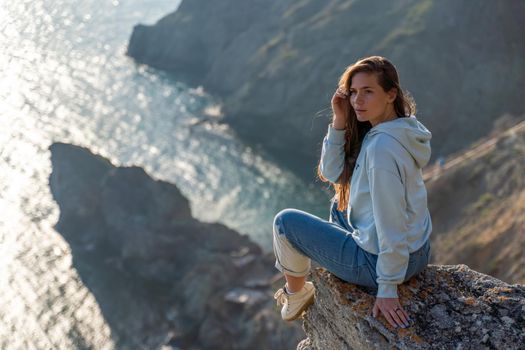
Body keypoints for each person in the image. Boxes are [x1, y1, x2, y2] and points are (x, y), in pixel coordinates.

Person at [272, 56, 432, 329]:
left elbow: (391, 221)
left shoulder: (382, 150)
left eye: (368, 92)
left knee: (285, 223)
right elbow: (332, 173)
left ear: (391, 94)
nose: (358, 100)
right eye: (354, 92)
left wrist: (388, 288)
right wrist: (339, 120)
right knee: (340, 205)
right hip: (418, 251)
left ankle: (297, 294)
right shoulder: (402, 128)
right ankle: (344, 260)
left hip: (382, 263)